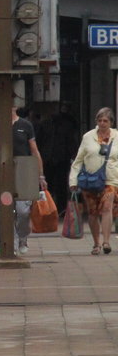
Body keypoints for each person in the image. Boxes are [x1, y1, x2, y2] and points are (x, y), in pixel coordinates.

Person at [0, 106, 43, 255]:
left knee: (23, 211)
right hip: (2, 175)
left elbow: (34, 150)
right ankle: (13, 244)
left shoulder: (26, 125)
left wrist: (40, 175)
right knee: (5, 210)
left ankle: (23, 238)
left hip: (24, 173)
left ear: (16, 107)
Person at [69, 107, 118, 256]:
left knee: (107, 207)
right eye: (100, 120)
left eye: (106, 120)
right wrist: (73, 180)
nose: (102, 123)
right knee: (93, 212)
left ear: (111, 122)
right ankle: (96, 243)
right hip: (90, 179)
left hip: (110, 179)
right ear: (96, 121)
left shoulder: (116, 136)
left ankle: (106, 242)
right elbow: (78, 160)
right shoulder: (88, 137)